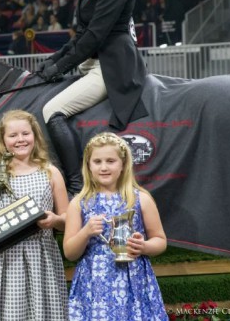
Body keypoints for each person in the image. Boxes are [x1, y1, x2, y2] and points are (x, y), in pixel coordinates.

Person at [34, 0, 148, 197]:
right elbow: (83, 35)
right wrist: (53, 60)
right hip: (92, 61)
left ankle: (76, 186)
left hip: (109, 67)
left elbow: (95, 36)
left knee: (52, 111)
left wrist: (59, 68)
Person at [0, 110, 69, 321]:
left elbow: (67, 219)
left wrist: (55, 220)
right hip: (1, 260)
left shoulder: (51, 173)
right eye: (13, 135)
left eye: (25, 133)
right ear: (3, 141)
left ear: (35, 136)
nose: (20, 139)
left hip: (39, 255)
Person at [63, 132, 167, 320]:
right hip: (93, 284)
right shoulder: (79, 203)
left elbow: (160, 241)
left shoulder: (140, 199)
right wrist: (85, 232)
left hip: (134, 280)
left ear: (123, 164)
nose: (104, 167)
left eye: (110, 161)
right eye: (97, 162)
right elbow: (70, 253)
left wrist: (143, 246)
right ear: (88, 165)